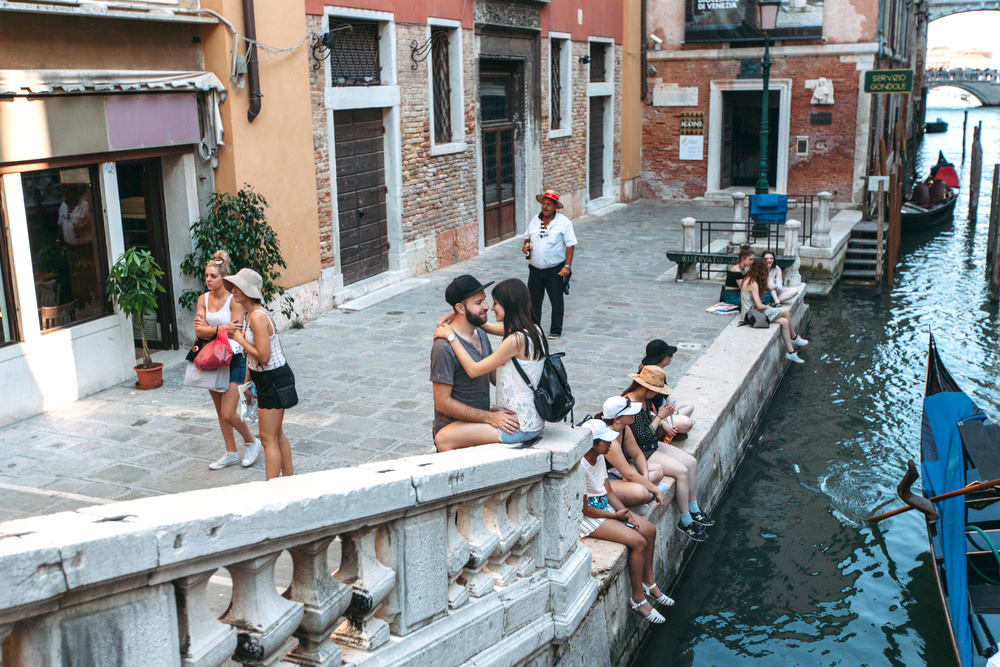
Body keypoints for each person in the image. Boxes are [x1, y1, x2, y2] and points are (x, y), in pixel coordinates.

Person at [580, 418, 673, 623]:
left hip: (605, 507)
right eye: (605, 441)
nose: (611, 444)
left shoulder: (600, 457)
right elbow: (584, 508)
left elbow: (608, 491)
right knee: (638, 542)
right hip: (589, 517)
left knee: (648, 530)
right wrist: (615, 516)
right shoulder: (581, 466)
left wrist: (625, 512)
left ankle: (649, 583)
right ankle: (637, 598)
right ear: (593, 444)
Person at [434, 278, 546, 446]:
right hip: (529, 419)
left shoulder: (514, 339)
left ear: (509, 305)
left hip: (521, 424)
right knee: (442, 437)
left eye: (493, 302)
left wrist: (451, 334)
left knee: (443, 439)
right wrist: (458, 315)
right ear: (460, 307)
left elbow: (474, 370)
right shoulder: (533, 329)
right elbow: (496, 375)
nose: (488, 307)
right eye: (480, 302)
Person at [621, 365, 713, 542]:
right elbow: (642, 437)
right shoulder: (630, 403)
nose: (657, 395)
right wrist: (660, 417)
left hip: (651, 445)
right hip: (640, 451)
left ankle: (694, 509)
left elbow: (648, 423)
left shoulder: (643, 399)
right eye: (655, 390)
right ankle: (685, 521)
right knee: (682, 472)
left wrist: (662, 423)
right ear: (646, 388)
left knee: (691, 462)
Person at [193, 251, 261, 471]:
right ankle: (231, 452)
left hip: (234, 359)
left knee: (228, 412)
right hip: (212, 358)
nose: (208, 280)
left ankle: (252, 442)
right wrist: (220, 328)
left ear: (224, 277)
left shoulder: (235, 299)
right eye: (206, 276)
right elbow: (198, 330)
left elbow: (235, 332)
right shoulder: (202, 299)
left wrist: (209, 330)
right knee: (219, 409)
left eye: (213, 276)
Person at [227, 268, 296, 480]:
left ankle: (272, 489)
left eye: (238, 287)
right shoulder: (252, 314)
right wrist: (247, 386)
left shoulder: (256, 317)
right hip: (268, 378)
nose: (234, 291)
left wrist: (239, 339)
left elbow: (263, 356)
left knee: (267, 438)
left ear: (249, 292)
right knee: (276, 434)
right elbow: (254, 359)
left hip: (273, 379)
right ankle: (289, 481)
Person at [522, 190, 577, 339]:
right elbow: (527, 238)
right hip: (535, 268)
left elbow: (570, 245)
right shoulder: (535, 220)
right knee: (533, 301)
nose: (545, 207)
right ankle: (534, 328)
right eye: (544, 204)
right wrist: (525, 248)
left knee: (556, 300)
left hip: (555, 269)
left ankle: (556, 329)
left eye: (548, 205)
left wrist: (567, 266)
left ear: (555, 207)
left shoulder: (563, 223)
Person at [598, 396, 668, 512]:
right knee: (641, 492)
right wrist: (654, 489)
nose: (634, 415)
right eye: (629, 413)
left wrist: (645, 478)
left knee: (659, 470)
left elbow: (637, 455)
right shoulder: (609, 440)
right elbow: (629, 474)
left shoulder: (624, 428)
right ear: (617, 419)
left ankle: (639, 498)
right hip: (606, 481)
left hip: (619, 473)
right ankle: (643, 497)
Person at [741, 258, 808, 364]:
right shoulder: (753, 283)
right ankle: (794, 337)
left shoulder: (749, 278)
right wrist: (771, 308)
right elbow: (759, 305)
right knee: (785, 311)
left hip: (752, 312)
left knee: (784, 322)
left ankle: (790, 353)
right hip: (752, 314)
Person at [639, 339, 694, 440]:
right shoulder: (646, 376)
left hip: (664, 411)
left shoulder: (660, 372)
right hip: (655, 417)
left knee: (689, 405)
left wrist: (674, 409)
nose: (671, 357)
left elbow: (667, 393)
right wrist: (662, 421)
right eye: (669, 355)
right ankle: (665, 430)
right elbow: (642, 409)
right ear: (661, 357)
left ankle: (673, 428)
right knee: (687, 423)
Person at [57, 182, 96, 308]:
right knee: (75, 276)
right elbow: (60, 224)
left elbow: (96, 224)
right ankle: (79, 301)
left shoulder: (85, 206)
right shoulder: (63, 206)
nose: (66, 196)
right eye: (64, 193)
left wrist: (82, 229)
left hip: (85, 247)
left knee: (88, 274)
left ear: (76, 193)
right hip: (70, 247)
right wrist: (58, 241)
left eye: (69, 193)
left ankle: (92, 300)